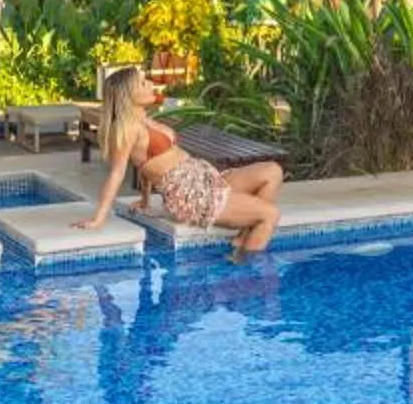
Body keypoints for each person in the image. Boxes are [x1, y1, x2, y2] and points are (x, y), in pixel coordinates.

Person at [76, 63, 283, 258]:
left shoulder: (146, 119)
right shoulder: (129, 129)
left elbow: (144, 164)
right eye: (142, 83)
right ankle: (243, 266)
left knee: (272, 171)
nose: (150, 83)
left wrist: (145, 199)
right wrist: (99, 218)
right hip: (190, 195)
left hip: (204, 180)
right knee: (269, 215)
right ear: (126, 95)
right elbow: (117, 172)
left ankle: (244, 237)